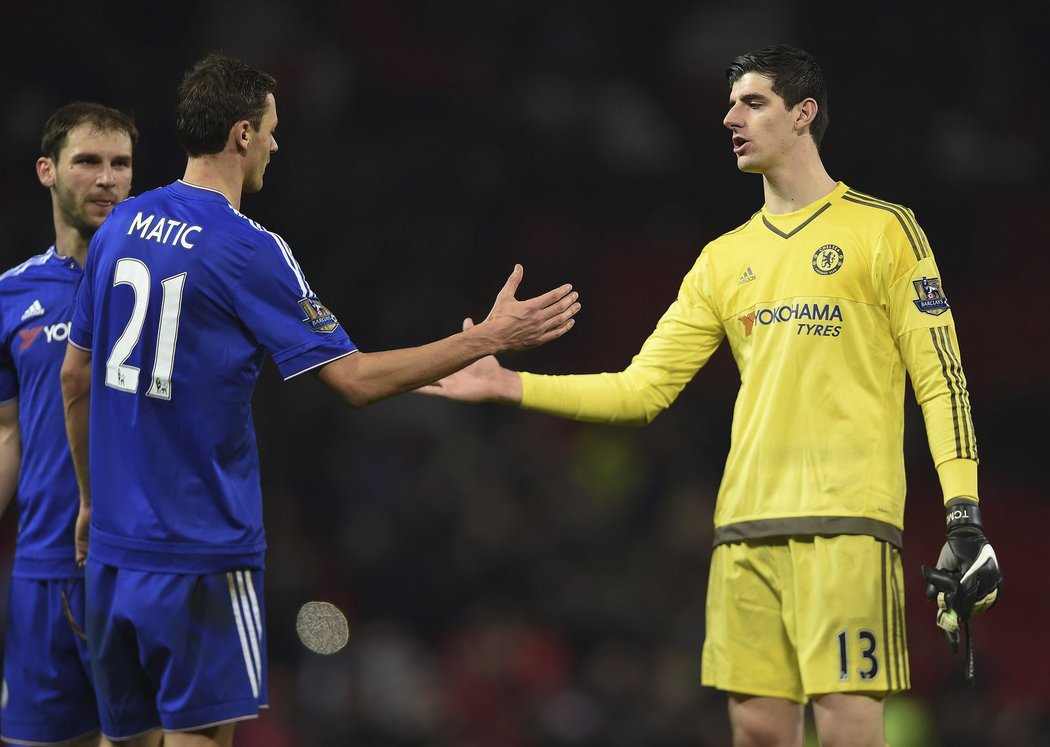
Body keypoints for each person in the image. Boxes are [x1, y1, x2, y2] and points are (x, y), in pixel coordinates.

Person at [420, 45, 1002, 746]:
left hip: (848, 522)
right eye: (731, 103)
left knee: (848, 723)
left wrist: (962, 512)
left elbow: (941, 377)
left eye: (753, 102)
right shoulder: (722, 260)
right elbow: (643, 389)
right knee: (757, 728)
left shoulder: (885, 231)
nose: (730, 117)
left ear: (803, 114)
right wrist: (510, 383)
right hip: (745, 528)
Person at [58, 53, 579, 747]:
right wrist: (484, 338)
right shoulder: (248, 247)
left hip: (116, 554)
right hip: (200, 558)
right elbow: (355, 380)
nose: (277, 143)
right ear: (242, 134)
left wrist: (90, 503)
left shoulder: (118, 225)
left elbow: (74, 378)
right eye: (272, 128)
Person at [0, 102, 136, 747]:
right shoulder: (9, 297)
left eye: (121, 164)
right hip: (40, 568)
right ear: (47, 171)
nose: (107, 178)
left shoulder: (162, 289)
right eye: (88, 162)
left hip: (134, 563)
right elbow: (8, 434)